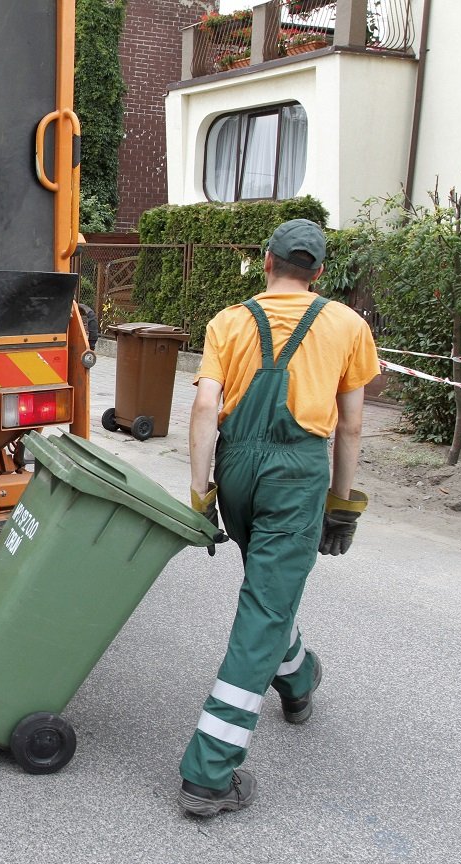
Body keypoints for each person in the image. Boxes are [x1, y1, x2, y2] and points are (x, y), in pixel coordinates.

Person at [177, 219, 379, 816]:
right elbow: (351, 425)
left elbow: (205, 407)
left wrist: (200, 491)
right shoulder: (346, 325)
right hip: (296, 474)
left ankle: (298, 677)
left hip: (237, 467)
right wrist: (341, 506)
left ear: (266, 262)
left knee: (269, 587)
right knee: (265, 604)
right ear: (319, 272)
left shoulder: (229, 321)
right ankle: (209, 772)